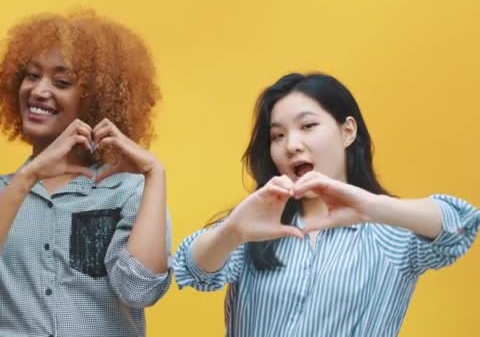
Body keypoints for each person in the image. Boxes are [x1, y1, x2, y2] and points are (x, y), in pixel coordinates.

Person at [172, 73, 479, 336]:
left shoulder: (388, 233)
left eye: (307, 126)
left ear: (347, 131)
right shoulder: (258, 228)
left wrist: (373, 207)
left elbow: (459, 225)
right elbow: (193, 268)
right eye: (278, 135)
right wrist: (233, 232)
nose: (291, 145)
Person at [0, 10, 171, 337]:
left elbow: (140, 290)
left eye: (61, 82)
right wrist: (27, 178)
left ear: (94, 100)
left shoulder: (129, 193)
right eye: (31, 76)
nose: (38, 91)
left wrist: (155, 174)